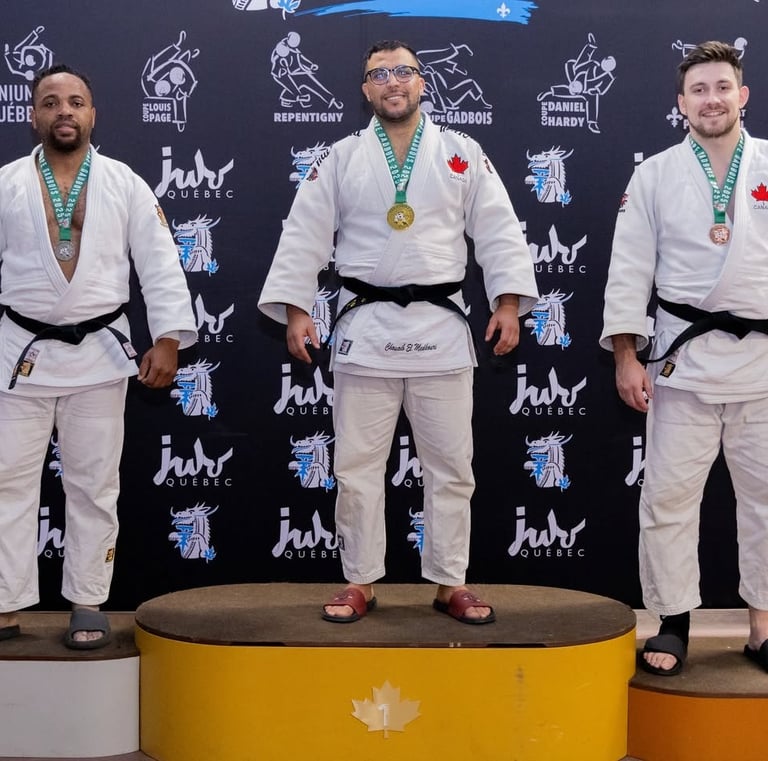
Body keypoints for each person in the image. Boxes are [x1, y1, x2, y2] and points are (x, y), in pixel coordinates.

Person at [259, 40, 538, 624]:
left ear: (421, 82)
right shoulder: (340, 158)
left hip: (441, 328)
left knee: (451, 465)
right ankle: (359, 581)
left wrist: (509, 302)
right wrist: (297, 308)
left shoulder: (461, 153)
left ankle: (450, 581)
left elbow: (499, 230)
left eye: (403, 71)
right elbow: (304, 233)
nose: (393, 82)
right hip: (366, 328)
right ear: (365, 89)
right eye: (379, 74)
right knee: (357, 465)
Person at [0, 64, 197, 649]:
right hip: (20, 354)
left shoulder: (123, 183)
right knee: (7, 483)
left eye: (76, 101)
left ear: (92, 114)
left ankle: (87, 601)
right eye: (50, 102)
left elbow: (159, 261)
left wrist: (168, 338)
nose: (64, 111)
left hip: (100, 355)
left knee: (93, 485)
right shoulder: (7, 184)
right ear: (33, 116)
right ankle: (4, 602)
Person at [601, 41, 768, 675]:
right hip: (683, 359)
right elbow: (628, 271)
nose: (711, 99)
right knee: (669, 498)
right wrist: (626, 355)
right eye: (699, 90)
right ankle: (672, 622)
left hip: (763, 364)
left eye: (722, 87)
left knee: (766, 501)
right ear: (681, 103)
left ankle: (762, 628)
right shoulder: (655, 175)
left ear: (742, 95)